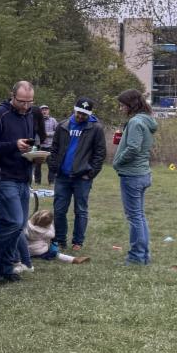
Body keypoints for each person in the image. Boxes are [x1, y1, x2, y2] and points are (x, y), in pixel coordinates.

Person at [0, 81, 36, 283]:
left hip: (22, 174)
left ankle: (5, 265)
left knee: (17, 225)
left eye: (30, 102)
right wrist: (13, 145)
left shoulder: (29, 115)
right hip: (3, 176)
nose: (26, 106)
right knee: (13, 221)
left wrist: (33, 153)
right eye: (22, 102)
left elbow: (28, 142)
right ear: (13, 96)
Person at [46, 97, 106, 251]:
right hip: (63, 176)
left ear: (89, 114)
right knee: (59, 210)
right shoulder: (63, 126)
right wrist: (54, 167)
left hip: (82, 177)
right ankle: (60, 240)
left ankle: (77, 242)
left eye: (84, 114)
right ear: (74, 110)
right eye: (79, 113)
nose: (80, 116)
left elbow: (100, 153)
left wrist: (91, 173)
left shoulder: (96, 129)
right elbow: (54, 148)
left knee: (81, 210)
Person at [112, 89, 158, 265]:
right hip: (142, 173)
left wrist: (117, 162)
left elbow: (133, 148)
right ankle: (143, 255)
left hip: (133, 175)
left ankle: (137, 257)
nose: (121, 108)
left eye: (122, 105)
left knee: (134, 218)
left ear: (131, 105)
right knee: (139, 216)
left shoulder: (136, 122)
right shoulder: (145, 121)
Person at [25, 210, 91, 265]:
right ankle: (74, 259)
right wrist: (51, 225)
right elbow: (53, 235)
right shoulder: (47, 233)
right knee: (55, 254)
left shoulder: (26, 225)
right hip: (40, 251)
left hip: (26, 251)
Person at [34, 104, 59, 185]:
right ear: (40, 112)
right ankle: (37, 181)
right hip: (39, 146)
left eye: (46, 109)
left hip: (50, 146)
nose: (44, 111)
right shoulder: (37, 120)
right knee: (37, 165)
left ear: (48, 111)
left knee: (51, 165)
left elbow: (58, 132)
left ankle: (51, 181)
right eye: (42, 110)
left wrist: (47, 134)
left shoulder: (53, 120)